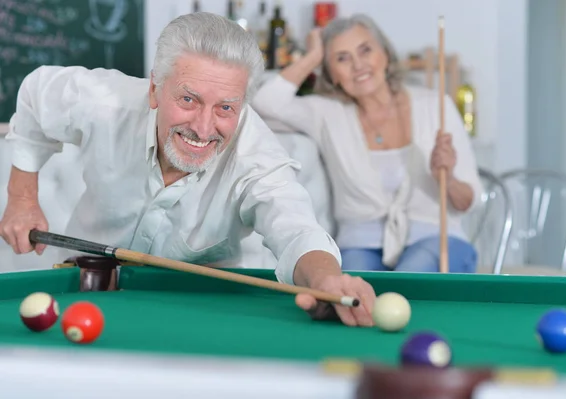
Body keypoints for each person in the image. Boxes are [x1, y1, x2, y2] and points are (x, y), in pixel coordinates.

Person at [0, 12, 376, 327]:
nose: (202, 127)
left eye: (226, 108)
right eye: (188, 99)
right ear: (154, 90)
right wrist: (21, 198)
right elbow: (36, 93)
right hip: (83, 292)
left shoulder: (258, 157)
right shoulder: (104, 102)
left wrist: (326, 278)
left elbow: (296, 230)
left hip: (196, 315)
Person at [252, 14, 483, 273]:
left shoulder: (435, 105)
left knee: (409, 282)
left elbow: (467, 202)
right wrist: (313, 56)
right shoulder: (326, 114)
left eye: (365, 50)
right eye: (342, 58)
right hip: (360, 244)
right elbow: (262, 102)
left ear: (384, 54)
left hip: (435, 238)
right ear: (331, 74)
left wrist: (448, 178)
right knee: (352, 296)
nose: (358, 65)